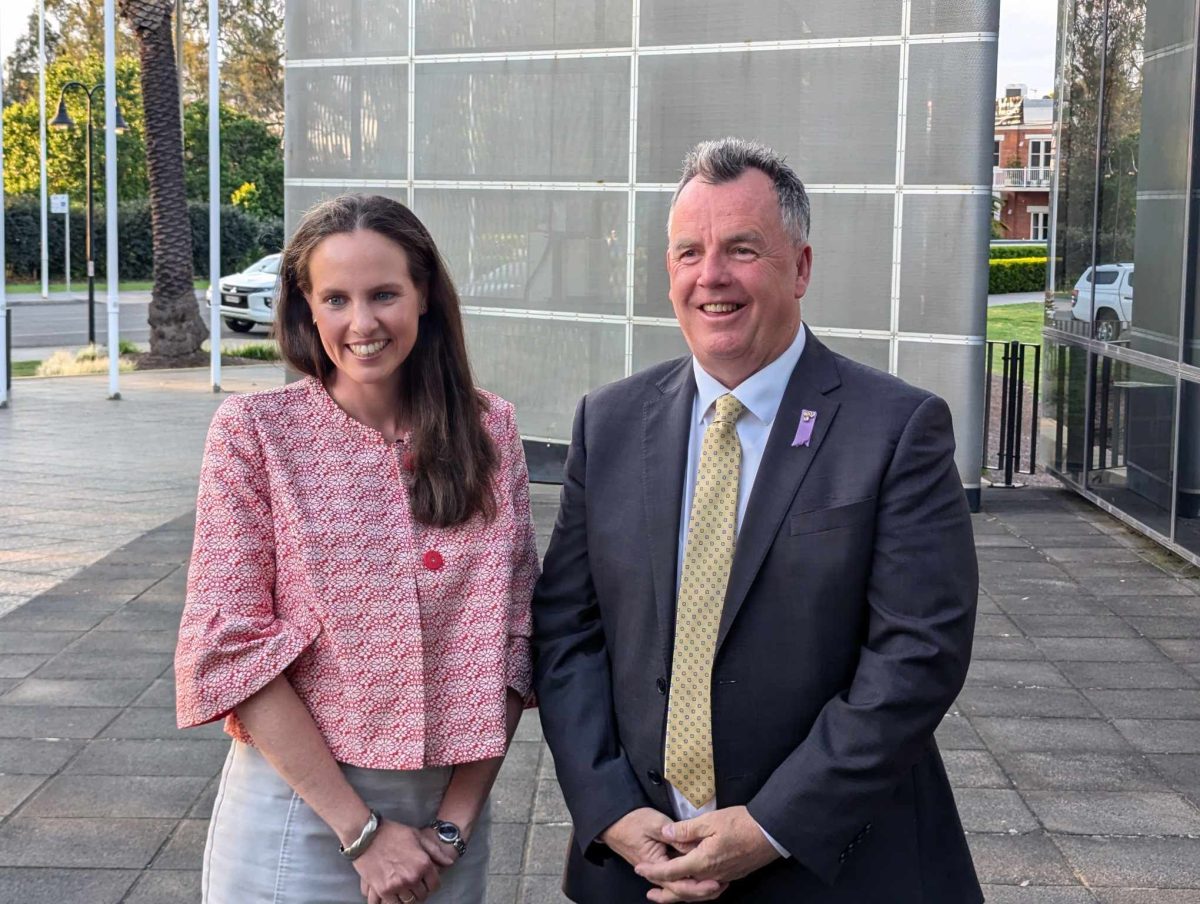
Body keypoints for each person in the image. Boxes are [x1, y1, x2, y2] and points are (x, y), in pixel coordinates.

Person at [532, 138, 981, 903]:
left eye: (742, 249)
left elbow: (917, 655)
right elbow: (566, 632)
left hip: (831, 865)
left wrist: (772, 825)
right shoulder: (608, 424)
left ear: (800, 267)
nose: (711, 277)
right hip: (639, 863)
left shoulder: (896, 429)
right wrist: (608, 808)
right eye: (688, 253)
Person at [175, 193, 538, 904]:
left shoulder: (491, 430)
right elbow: (230, 646)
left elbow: (515, 639)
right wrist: (362, 832)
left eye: (384, 295)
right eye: (335, 298)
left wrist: (453, 827)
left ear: (425, 295)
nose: (362, 323)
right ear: (305, 307)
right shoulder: (255, 433)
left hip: (449, 822)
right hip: (300, 812)